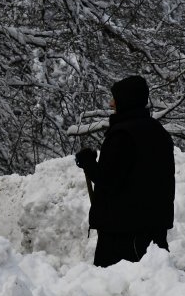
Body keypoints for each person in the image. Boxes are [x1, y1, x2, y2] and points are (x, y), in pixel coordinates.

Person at [74, 75, 174, 267]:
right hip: (153, 226)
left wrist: (88, 162)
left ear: (126, 100)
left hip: (123, 233)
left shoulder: (123, 135)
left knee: (113, 291)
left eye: (115, 98)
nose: (111, 103)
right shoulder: (157, 131)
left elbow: (108, 180)